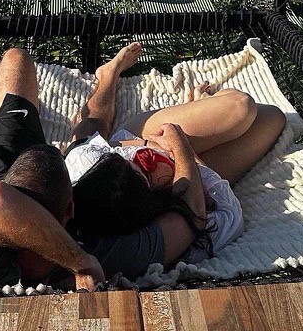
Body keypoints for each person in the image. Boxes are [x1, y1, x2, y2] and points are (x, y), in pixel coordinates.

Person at [64, 43, 287, 265]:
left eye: (127, 159)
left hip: (146, 137)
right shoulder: (153, 238)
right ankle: (197, 111)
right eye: (143, 170)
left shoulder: (85, 165)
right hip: (182, 179)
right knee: (272, 118)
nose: (141, 160)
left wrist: (148, 144)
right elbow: (229, 218)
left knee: (240, 108)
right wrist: (182, 150)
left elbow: (96, 133)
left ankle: (108, 74)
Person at [0, 47, 104, 291]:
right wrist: (81, 262)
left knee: (16, 58)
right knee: (90, 135)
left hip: (19, 168)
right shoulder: (93, 241)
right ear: (71, 207)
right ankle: (108, 75)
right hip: (21, 179)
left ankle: (108, 75)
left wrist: (81, 265)